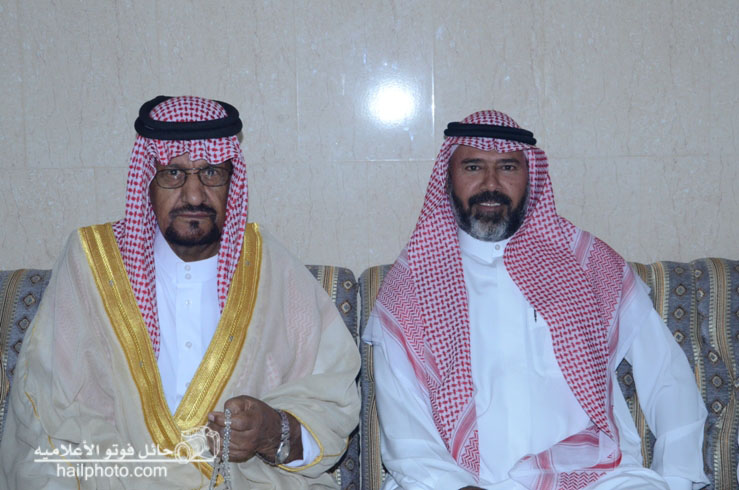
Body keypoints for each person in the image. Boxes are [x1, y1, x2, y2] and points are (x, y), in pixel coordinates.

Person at [0, 95, 360, 488]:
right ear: (147, 181)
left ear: (232, 181)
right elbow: (48, 409)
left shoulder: (271, 267)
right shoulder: (93, 262)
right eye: (173, 173)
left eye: (211, 173)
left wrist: (273, 432)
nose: (194, 195)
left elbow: (330, 396)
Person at [363, 110, 708, 490]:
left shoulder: (589, 264)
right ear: (448, 177)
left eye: (508, 167)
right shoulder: (412, 284)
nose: (490, 184)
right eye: (473, 167)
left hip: (596, 477)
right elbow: (404, 427)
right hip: (463, 482)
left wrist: (677, 477)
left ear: (530, 176)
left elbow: (666, 374)